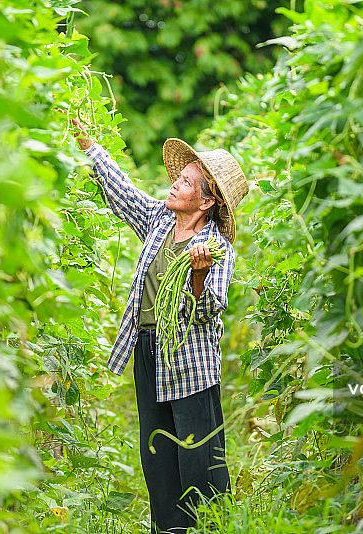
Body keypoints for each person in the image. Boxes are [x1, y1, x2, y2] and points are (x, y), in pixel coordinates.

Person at [69, 117, 248, 533]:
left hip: (191, 363)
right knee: (158, 456)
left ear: (206, 203)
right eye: (179, 177)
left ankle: (207, 528)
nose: (174, 184)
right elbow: (123, 193)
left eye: (186, 182)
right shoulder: (159, 222)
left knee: (199, 458)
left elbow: (207, 311)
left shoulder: (216, 249)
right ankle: (167, 529)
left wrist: (198, 277)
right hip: (148, 351)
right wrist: (89, 146)